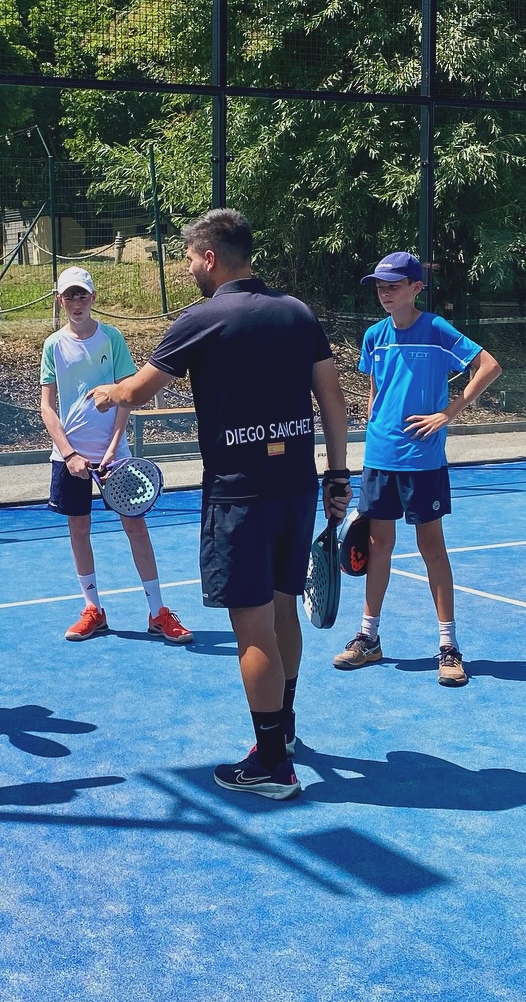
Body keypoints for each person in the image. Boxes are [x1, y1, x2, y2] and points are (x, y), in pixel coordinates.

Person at [91, 210, 350, 799]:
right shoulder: (297, 313)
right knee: (284, 610)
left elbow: (136, 391)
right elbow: (332, 402)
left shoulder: (201, 319)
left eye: (188, 258)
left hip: (240, 497)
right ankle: (281, 732)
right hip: (298, 490)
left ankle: (272, 767)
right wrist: (338, 477)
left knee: (252, 624)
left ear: (209, 257)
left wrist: (108, 392)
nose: (187, 268)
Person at [333, 252, 501, 686]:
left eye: (393, 285)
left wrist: (450, 411)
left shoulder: (437, 330)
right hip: (379, 458)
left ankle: (448, 647)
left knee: (432, 548)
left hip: (422, 460)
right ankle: (368, 639)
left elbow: (489, 366)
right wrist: (373, 432)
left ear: (415, 288)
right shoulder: (373, 335)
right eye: (380, 286)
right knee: (378, 546)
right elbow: (374, 390)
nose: (385, 293)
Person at [39, 266, 192, 646]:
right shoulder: (52, 345)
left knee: (136, 528)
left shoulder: (112, 338)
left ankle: (158, 612)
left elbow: (126, 394)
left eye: (82, 295)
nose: (76, 302)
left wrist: (112, 449)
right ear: (60, 300)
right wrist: (70, 453)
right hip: (68, 458)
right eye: (69, 296)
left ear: (92, 298)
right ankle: (93, 609)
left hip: (116, 456)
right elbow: (47, 407)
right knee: (79, 530)